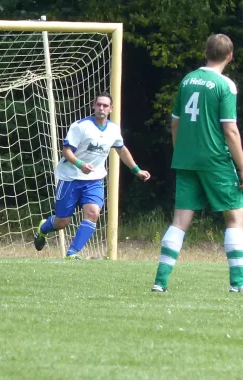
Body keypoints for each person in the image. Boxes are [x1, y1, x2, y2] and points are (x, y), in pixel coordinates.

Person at [152, 34, 243, 293]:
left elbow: (175, 123)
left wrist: (181, 151)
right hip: (215, 159)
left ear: (205, 52)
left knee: (179, 220)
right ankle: (238, 284)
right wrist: (242, 167)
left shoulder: (187, 80)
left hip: (186, 159)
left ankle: (160, 282)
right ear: (230, 56)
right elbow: (230, 131)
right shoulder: (225, 85)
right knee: (235, 218)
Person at [33, 92, 151, 258]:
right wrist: (80, 164)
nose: (101, 108)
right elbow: (66, 150)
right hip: (70, 178)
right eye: (99, 105)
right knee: (62, 222)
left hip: (94, 180)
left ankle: (72, 253)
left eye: (105, 105)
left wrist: (137, 170)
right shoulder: (80, 126)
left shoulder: (113, 129)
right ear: (93, 106)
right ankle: (43, 228)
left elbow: (121, 149)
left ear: (111, 109)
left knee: (93, 213)